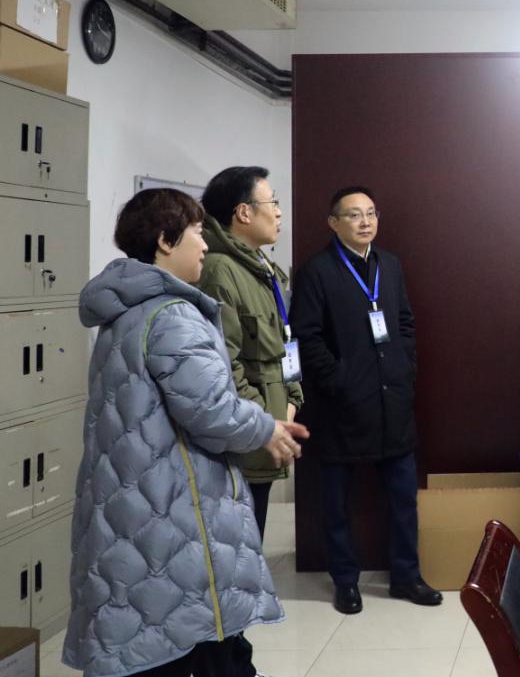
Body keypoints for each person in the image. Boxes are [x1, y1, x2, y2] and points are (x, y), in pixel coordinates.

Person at [64, 188, 309, 677]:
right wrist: (265, 427)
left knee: (154, 636)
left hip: (137, 502)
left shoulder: (126, 311)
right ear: (165, 240)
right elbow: (210, 409)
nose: (205, 245)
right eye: (197, 232)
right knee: (193, 637)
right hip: (172, 508)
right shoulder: (172, 315)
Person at [290, 185, 442, 612]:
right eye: (354, 214)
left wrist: (404, 366)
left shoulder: (389, 265)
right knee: (337, 504)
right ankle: (345, 581)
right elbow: (306, 337)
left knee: (402, 499)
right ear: (333, 222)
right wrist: (338, 379)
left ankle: (406, 577)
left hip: (392, 401)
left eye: (371, 213)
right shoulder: (316, 271)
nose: (365, 222)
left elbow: (405, 322)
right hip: (341, 406)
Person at [198, 166, 303, 538]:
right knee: (239, 542)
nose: (278, 212)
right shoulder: (219, 271)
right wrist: (265, 421)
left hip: (269, 426)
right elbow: (225, 366)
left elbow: (282, 343)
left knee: (253, 537)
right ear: (244, 212)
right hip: (246, 437)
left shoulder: (261, 267)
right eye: (272, 202)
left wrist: (291, 399)